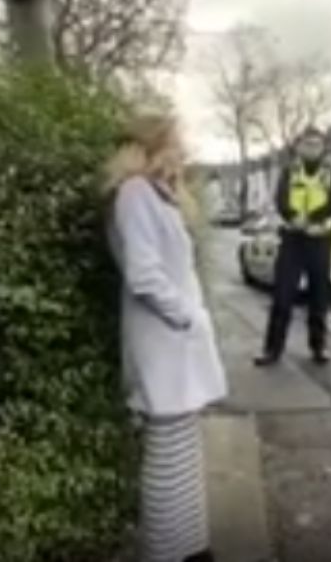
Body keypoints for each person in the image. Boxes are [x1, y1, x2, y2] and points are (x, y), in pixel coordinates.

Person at [105, 114, 228, 562]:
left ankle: (193, 547)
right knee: (167, 459)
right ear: (153, 145)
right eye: (176, 142)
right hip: (164, 345)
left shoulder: (158, 195)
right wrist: (189, 318)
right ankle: (165, 552)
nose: (182, 152)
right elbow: (144, 275)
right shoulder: (135, 194)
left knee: (184, 455)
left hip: (176, 347)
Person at [256, 128, 331, 367]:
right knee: (282, 297)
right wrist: (293, 216)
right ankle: (272, 350)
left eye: (316, 144)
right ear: (299, 147)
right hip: (293, 240)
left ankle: (319, 347)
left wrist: (312, 218)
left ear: (323, 147)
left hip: (319, 239)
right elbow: (281, 199)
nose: (312, 148)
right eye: (307, 144)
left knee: (319, 298)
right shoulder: (289, 170)